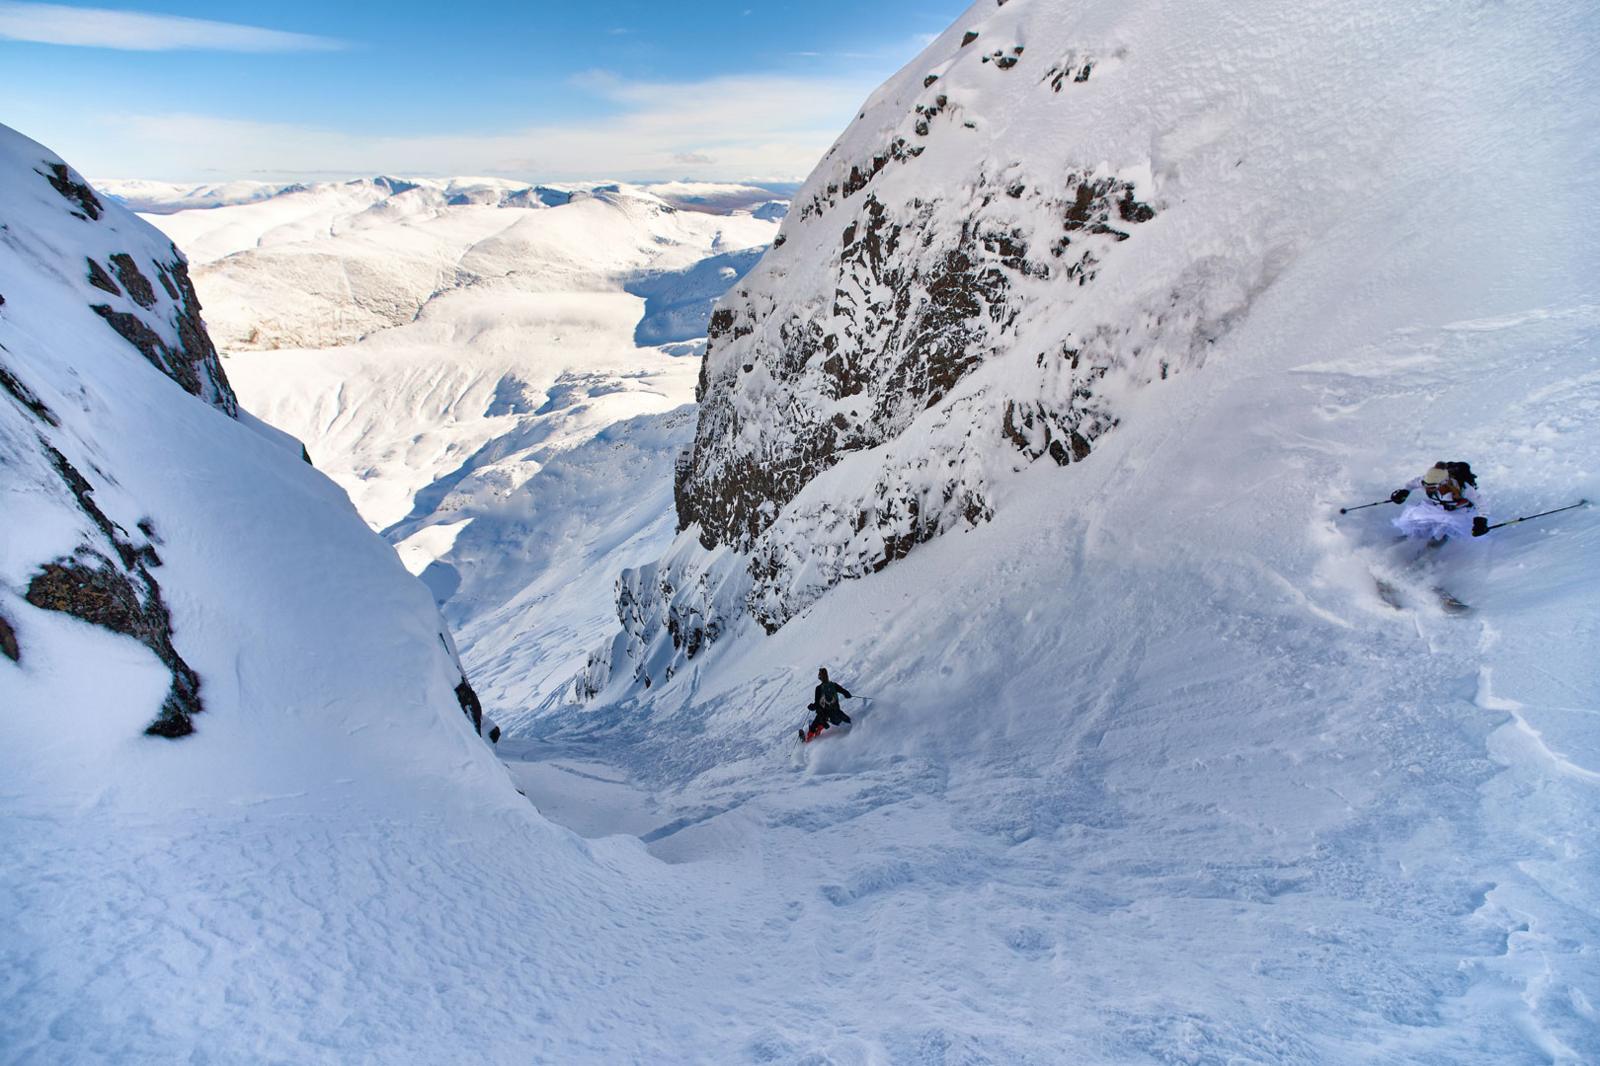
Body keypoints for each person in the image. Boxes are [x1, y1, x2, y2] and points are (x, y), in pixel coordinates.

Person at [1390, 461, 1481, 542]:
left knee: (1444, 531)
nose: (1428, 488)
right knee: (1421, 525)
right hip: (1436, 508)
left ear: (1443, 482)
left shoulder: (1464, 488)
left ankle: (1430, 553)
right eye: (1426, 485)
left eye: (1432, 486)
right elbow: (1412, 484)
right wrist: (1404, 492)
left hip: (1458, 513)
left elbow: (1481, 504)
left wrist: (1481, 522)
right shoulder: (1428, 480)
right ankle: (1406, 540)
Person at [801, 668, 852, 741]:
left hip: (824, 714)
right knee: (847, 721)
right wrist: (847, 694)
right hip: (836, 712)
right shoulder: (834, 685)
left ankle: (809, 738)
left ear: (819, 677)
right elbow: (846, 693)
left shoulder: (819, 688)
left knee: (816, 723)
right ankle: (820, 726)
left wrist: (812, 706)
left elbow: (817, 704)